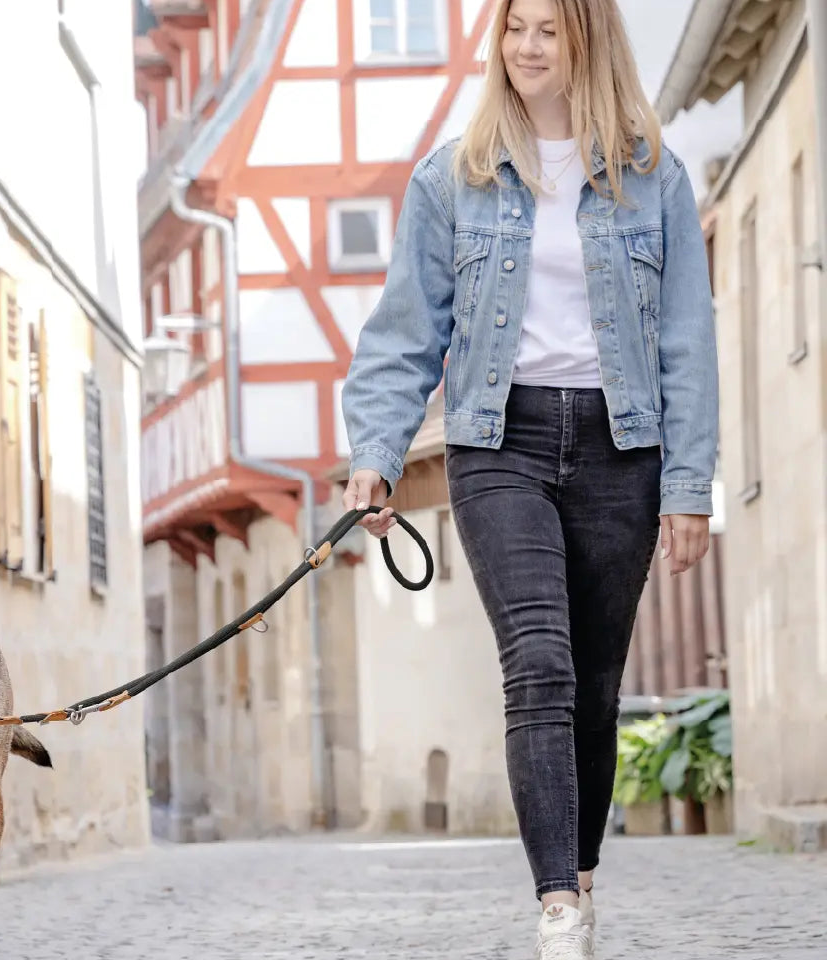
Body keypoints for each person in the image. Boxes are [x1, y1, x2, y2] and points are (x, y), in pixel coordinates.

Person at [340, 0, 718, 957]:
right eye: (514, 28)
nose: (528, 47)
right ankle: (557, 904)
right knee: (539, 664)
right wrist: (376, 454)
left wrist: (688, 485)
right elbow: (402, 334)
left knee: (593, 686)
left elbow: (686, 342)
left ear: (587, 38)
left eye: (549, 28)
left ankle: (581, 875)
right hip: (496, 441)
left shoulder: (651, 176)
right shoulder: (452, 177)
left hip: (619, 448)